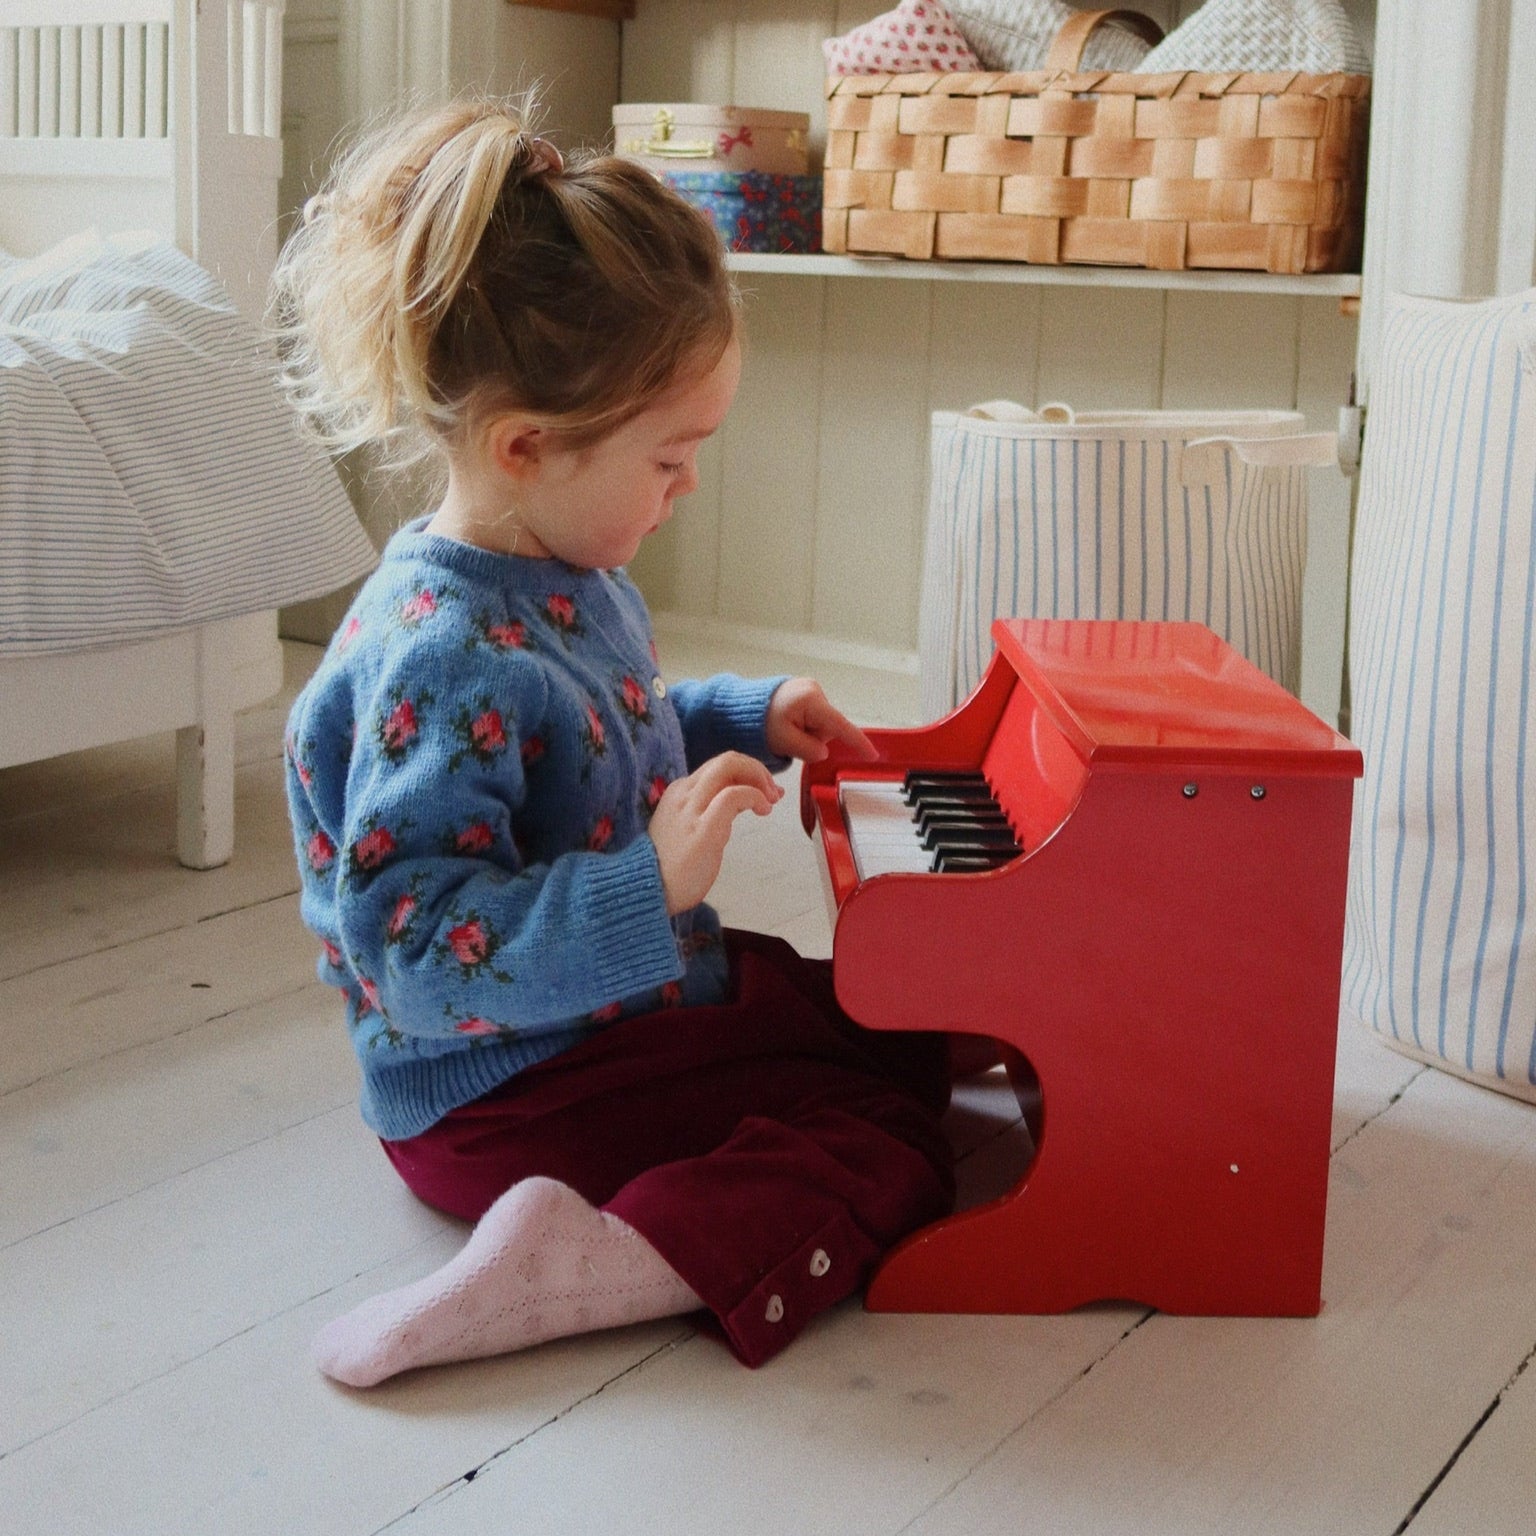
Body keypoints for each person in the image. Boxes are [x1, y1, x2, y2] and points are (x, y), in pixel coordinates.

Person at [273, 95, 954, 1389]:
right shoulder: (443, 651)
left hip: (598, 1022)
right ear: (527, 447)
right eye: (671, 457)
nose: (688, 486)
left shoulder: (564, 566)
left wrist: (738, 716)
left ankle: (623, 1209)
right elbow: (417, 953)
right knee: (889, 1132)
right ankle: (596, 1258)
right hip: (497, 1095)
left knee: (890, 1028)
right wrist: (650, 886)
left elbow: (595, 747)